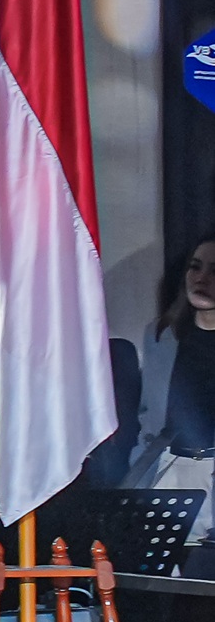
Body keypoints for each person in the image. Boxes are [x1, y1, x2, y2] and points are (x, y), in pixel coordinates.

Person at [131, 232, 215, 542]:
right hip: (166, 469)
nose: (202, 278)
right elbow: (147, 413)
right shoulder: (161, 335)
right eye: (195, 266)